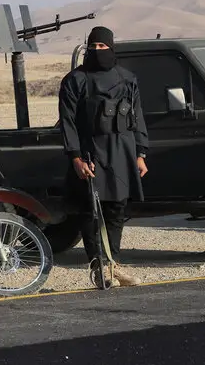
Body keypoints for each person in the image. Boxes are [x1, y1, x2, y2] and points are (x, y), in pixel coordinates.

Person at [59, 26, 148, 287]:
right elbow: (67, 122)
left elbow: (137, 117)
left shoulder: (127, 78)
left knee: (116, 209)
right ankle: (99, 267)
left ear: (111, 47)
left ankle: (113, 264)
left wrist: (140, 153)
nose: (97, 51)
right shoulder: (75, 80)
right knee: (91, 211)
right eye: (93, 46)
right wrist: (75, 157)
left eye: (102, 46)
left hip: (121, 150)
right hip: (90, 152)